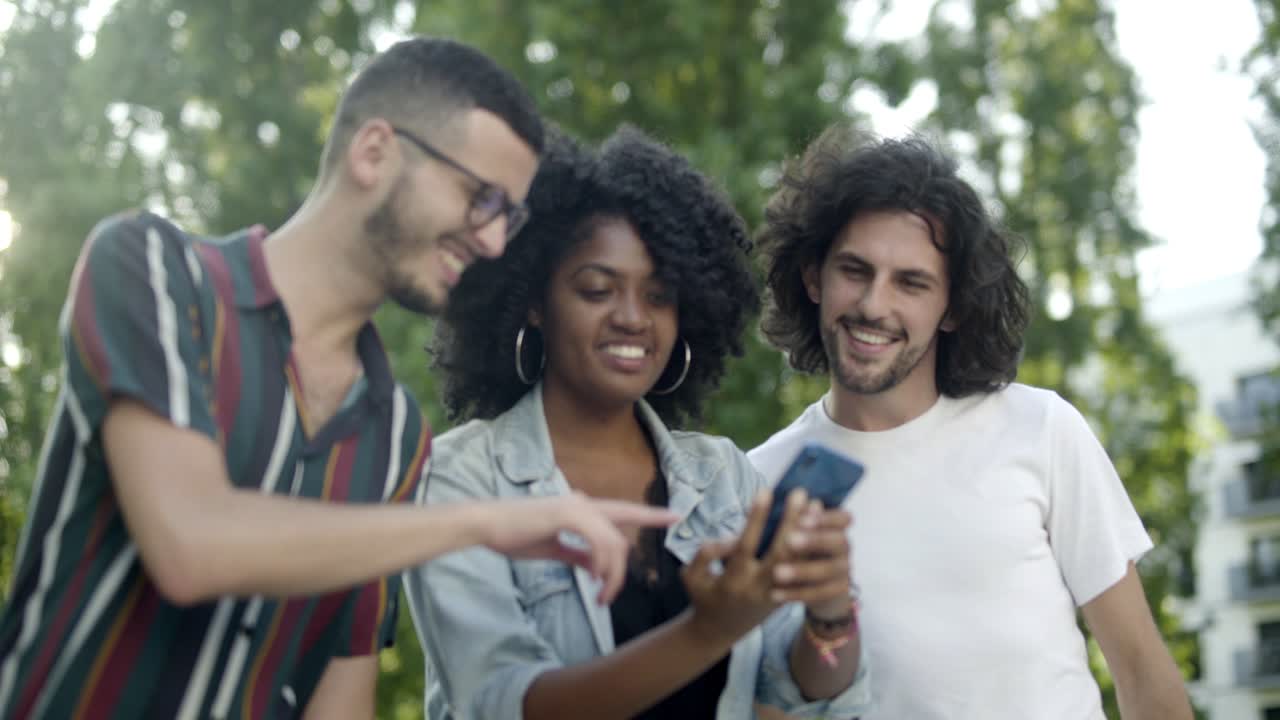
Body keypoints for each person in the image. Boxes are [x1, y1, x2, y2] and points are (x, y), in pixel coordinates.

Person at [0, 38, 675, 719]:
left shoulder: (399, 436)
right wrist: (484, 522)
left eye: (510, 217)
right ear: (374, 151)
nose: (495, 242)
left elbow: (338, 697)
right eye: (481, 198)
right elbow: (190, 543)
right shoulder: (156, 271)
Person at [404, 126, 872, 720]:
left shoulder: (722, 476)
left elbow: (807, 695)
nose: (632, 318)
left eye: (659, 296)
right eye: (597, 289)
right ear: (532, 301)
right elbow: (503, 704)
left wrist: (828, 611)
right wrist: (705, 632)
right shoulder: (460, 479)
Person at [748, 124, 1193, 720]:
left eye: (911, 282)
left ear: (953, 307)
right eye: (855, 270)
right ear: (813, 277)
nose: (875, 305)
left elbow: (1140, 667)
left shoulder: (1041, 429)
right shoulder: (760, 481)